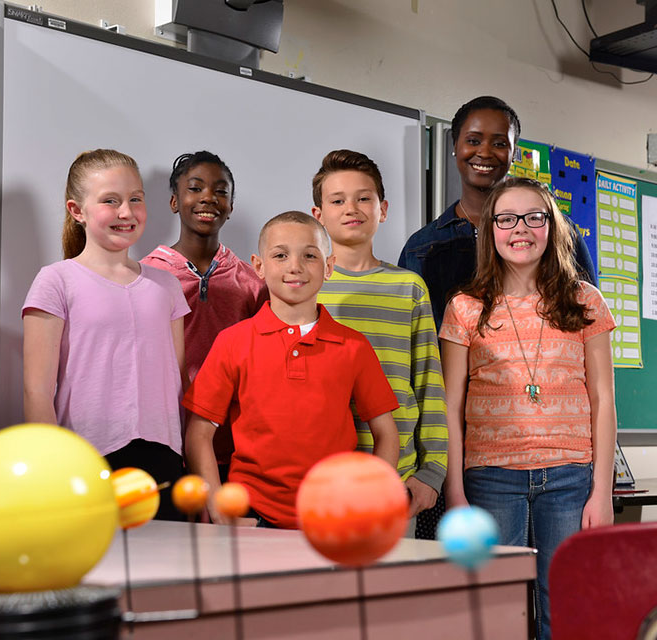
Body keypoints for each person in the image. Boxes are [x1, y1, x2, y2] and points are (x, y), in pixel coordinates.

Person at [439, 177, 616, 640]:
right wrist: (454, 490)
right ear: (490, 231)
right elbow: (450, 405)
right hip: (491, 476)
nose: (521, 229)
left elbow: (603, 400)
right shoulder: (464, 307)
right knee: (498, 611)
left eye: (535, 217)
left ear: (551, 228)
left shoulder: (585, 301)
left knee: (566, 607)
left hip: (569, 476)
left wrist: (602, 491)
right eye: (507, 219)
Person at [182, 211, 399, 528]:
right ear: (258, 266)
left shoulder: (354, 347)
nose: (294, 266)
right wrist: (218, 509)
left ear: (328, 267)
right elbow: (199, 433)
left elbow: (387, 434)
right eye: (280, 255)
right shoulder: (232, 342)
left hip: (333, 520)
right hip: (252, 516)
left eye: (309, 255)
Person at [22, 149, 190, 521]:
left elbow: (177, 383)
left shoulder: (166, 286)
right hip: (85, 462)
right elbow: (37, 392)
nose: (126, 212)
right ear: (76, 210)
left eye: (135, 199)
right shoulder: (56, 281)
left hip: (162, 463)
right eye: (110, 201)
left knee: (163, 574)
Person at [311, 149, 447, 535]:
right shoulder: (304, 287)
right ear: (318, 215)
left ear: (382, 209)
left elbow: (429, 385)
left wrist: (432, 471)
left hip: (394, 481)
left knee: (391, 592)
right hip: (321, 476)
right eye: (337, 200)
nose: (351, 207)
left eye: (363, 198)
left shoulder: (409, 288)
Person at [398, 96, 597, 330]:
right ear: (455, 147)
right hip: (451, 367)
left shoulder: (557, 231)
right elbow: (409, 336)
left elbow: (586, 319)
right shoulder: (423, 246)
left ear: (514, 154)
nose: (484, 152)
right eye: (473, 140)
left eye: (500, 144)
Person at [142, 151, 266, 479]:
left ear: (231, 207)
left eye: (220, 191)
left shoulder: (251, 281)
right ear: (174, 202)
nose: (208, 197)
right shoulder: (146, 276)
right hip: (163, 440)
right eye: (195, 188)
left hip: (232, 444)